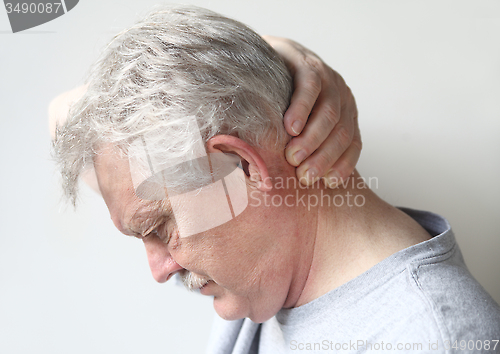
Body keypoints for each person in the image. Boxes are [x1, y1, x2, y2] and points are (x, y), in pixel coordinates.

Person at [51, 5, 500, 354]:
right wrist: (269, 56)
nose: (159, 269)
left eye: (159, 229)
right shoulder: (259, 264)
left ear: (239, 167)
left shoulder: (430, 337)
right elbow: (63, 115)